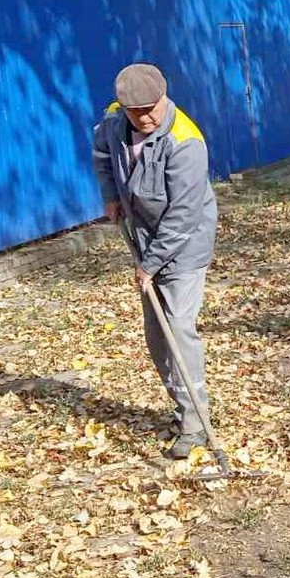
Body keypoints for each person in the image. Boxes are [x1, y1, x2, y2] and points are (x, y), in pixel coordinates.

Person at [92, 63, 218, 459]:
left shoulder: (185, 142)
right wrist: (111, 195)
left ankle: (196, 426)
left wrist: (149, 265)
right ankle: (183, 409)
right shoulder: (114, 121)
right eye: (136, 111)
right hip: (145, 237)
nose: (145, 117)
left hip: (185, 245)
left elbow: (183, 216)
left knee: (178, 328)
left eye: (152, 108)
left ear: (165, 96)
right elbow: (100, 154)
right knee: (157, 336)